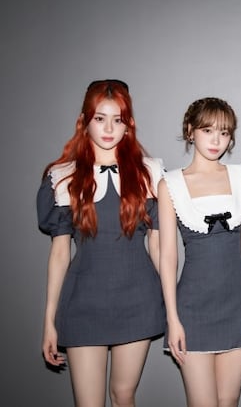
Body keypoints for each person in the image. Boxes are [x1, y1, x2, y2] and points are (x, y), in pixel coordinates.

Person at [37, 79, 165, 407]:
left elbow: (159, 247)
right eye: (100, 118)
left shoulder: (149, 173)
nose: (109, 128)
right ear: (85, 121)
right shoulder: (62, 177)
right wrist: (49, 321)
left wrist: (174, 307)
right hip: (83, 302)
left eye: (117, 119)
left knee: (123, 395)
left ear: (128, 124)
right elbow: (60, 253)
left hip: (138, 298)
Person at [158, 97, 241, 407]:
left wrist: (230, 283)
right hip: (191, 308)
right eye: (207, 130)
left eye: (224, 132)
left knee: (229, 400)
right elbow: (168, 257)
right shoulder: (170, 184)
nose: (216, 140)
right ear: (190, 131)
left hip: (238, 305)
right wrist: (173, 318)